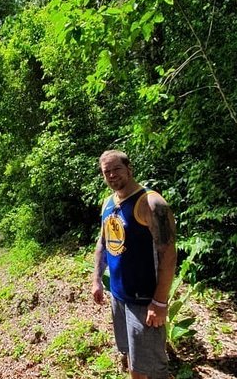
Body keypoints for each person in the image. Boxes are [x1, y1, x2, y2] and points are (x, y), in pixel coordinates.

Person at [92, 150, 177, 379]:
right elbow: (103, 242)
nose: (111, 175)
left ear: (129, 168)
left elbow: (169, 254)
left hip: (144, 301)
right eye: (106, 172)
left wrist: (159, 302)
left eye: (116, 169)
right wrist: (97, 280)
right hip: (118, 296)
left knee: (150, 367)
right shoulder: (108, 203)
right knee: (130, 355)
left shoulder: (151, 203)